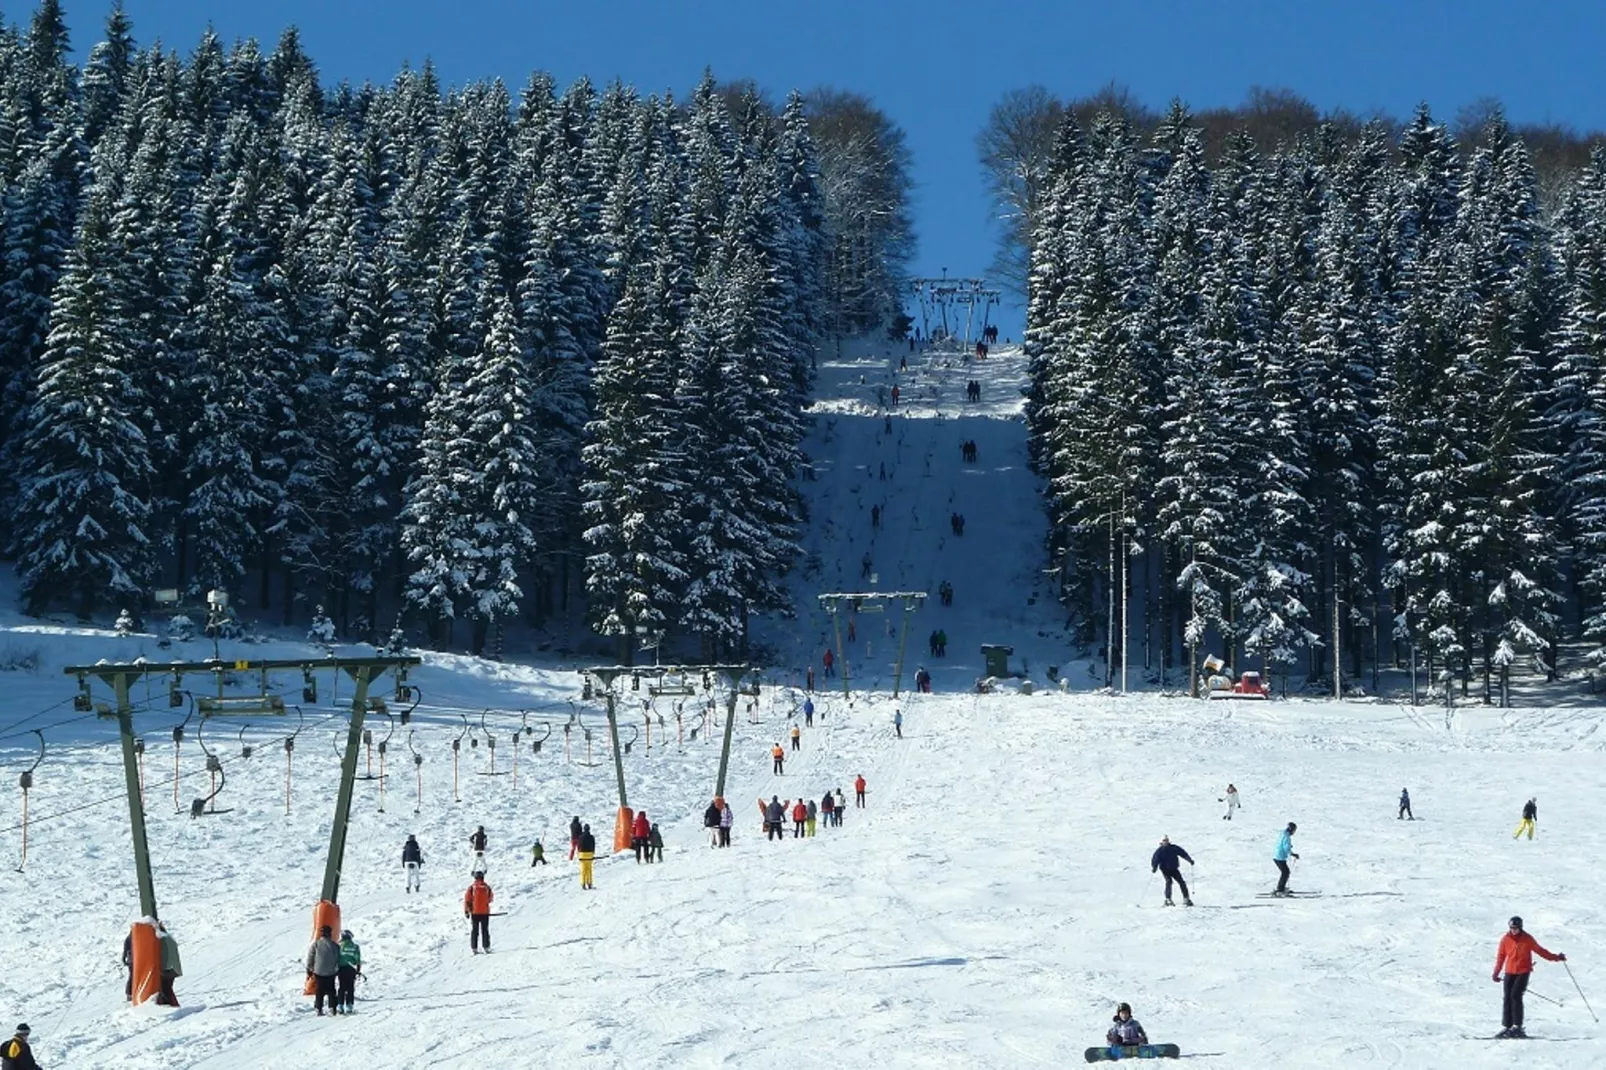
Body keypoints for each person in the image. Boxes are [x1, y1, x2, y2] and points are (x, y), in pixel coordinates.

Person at [1493, 915, 1565, 1038]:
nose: (1513, 930)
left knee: (1516, 995)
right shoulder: (1505, 939)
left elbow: (1541, 951)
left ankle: (1517, 1027)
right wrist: (1496, 972)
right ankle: (1507, 1026)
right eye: (1511, 928)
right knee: (1507, 998)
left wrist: (1556, 957)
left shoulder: (1527, 939)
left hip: (1523, 971)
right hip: (1510, 971)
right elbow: (1501, 956)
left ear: (1520, 927)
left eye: (1515, 928)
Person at [1151, 836, 1195, 906]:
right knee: (1169, 881)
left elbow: (1183, 853)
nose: (1166, 842)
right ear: (1161, 842)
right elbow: (1155, 860)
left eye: (1167, 840)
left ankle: (1186, 899)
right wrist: (1154, 867)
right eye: (1164, 840)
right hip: (1165, 870)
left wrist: (1189, 860)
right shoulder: (1159, 851)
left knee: (1181, 882)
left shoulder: (1173, 848)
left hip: (1174, 869)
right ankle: (1168, 899)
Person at [306, 924, 340, 1015]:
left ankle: (318, 1008)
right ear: (330, 933)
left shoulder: (316, 944)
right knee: (331, 990)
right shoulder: (334, 945)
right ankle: (332, 1007)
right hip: (330, 972)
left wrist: (309, 968)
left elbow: (310, 956)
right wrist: (337, 968)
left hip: (319, 971)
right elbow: (338, 957)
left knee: (319, 991)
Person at [463, 873, 493, 953]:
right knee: (485, 930)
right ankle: (486, 947)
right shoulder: (487, 887)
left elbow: (467, 900)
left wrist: (466, 911)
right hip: (485, 913)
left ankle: (474, 948)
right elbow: (490, 899)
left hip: (474, 913)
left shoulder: (471, 888)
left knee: (475, 930)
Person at [156, 921, 181, 1007]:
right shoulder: (168, 937)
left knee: (165, 988)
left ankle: (173, 1005)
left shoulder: (160, 939)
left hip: (167, 968)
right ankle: (169, 1004)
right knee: (167, 988)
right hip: (173, 968)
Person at [336, 930, 361, 1014]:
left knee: (341, 987)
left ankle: (340, 1005)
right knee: (350, 987)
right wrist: (358, 970)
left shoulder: (338, 946)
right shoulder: (355, 946)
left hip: (341, 969)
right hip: (351, 969)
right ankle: (349, 1006)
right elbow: (358, 959)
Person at [1272, 822, 1299, 896]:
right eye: (1294, 830)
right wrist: (1293, 854)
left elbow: (1283, 844)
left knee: (1285, 872)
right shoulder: (1286, 836)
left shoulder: (1283, 834)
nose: (1294, 832)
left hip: (1277, 855)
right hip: (1279, 856)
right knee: (1285, 872)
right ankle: (1280, 889)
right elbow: (1286, 847)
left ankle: (1281, 888)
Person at [578, 824, 597, 889]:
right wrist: (593, 852)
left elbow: (578, 846)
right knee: (589, 870)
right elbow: (593, 845)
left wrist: (579, 853)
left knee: (583, 870)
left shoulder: (580, 837)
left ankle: (583, 883)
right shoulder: (591, 837)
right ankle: (589, 883)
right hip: (589, 855)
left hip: (582, 855)